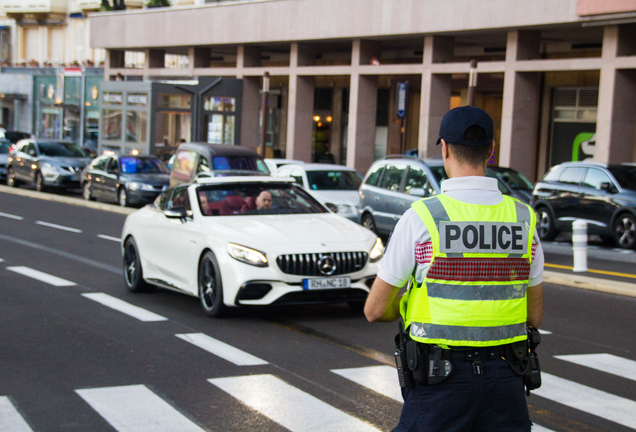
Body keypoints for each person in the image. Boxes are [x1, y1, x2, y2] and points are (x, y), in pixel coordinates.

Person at [364, 106, 544, 432]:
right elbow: (534, 317)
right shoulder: (524, 219)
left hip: (440, 381)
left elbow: (375, 310)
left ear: (444, 148)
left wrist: (404, 305)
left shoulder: (423, 218)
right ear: (491, 150)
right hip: (507, 381)